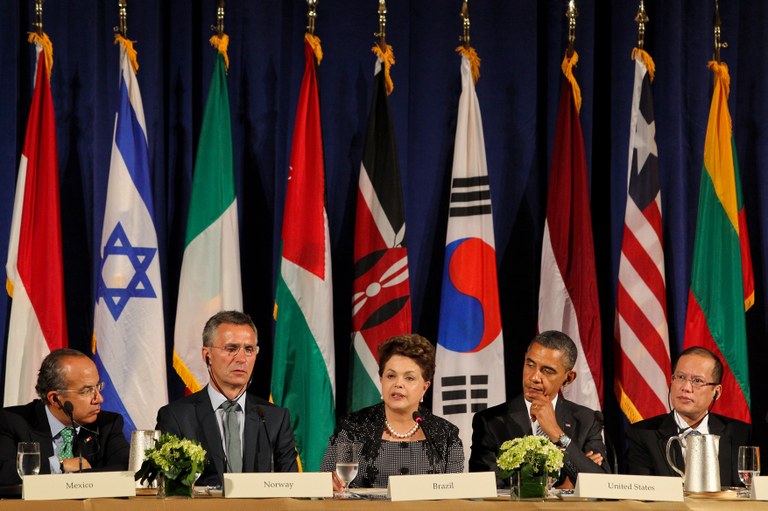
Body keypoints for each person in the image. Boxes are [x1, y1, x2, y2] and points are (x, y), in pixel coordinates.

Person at [156, 310, 297, 486]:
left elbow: (292, 487)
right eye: (231, 349)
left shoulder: (274, 418)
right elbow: (169, 488)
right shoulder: (176, 417)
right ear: (207, 355)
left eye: (249, 349)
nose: (241, 358)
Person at [320, 334, 463, 490]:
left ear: (425, 387)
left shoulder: (445, 435)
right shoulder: (353, 428)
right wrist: (331, 483)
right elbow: (330, 481)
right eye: (391, 376)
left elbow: (454, 495)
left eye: (409, 378)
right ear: (382, 380)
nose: (398, 384)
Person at [469, 330, 609, 487]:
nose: (534, 377)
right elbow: (484, 486)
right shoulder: (490, 422)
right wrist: (565, 485)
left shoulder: (587, 420)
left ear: (568, 378)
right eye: (530, 364)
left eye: (547, 371)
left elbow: (602, 484)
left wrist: (557, 434)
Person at [0, 349, 130, 485]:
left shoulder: (107, 424)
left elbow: (126, 469)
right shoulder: (12, 421)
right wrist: (60, 465)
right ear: (55, 399)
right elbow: (3, 472)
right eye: (87, 391)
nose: (99, 399)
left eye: (98, 387)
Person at [626, 346, 751, 486]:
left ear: (716, 392)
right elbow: (643, 493)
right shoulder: (644, 434)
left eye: (697, 381)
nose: (685, 387)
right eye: (680, 377)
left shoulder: (741, 434)